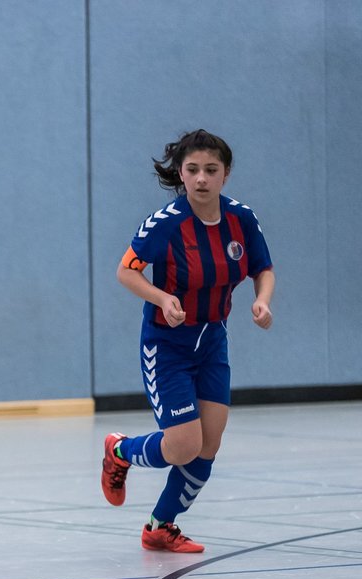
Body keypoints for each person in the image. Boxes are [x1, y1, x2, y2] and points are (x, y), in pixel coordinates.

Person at [101, 129, 275, 552]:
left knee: (208, 445)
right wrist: (163, 297)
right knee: (182, 444)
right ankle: (120, 451)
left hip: (212, 340)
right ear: (181, 173)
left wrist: (263, 302)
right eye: (192, 170)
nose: (201, 179)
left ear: (225, 175)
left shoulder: (241, 219)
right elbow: (126, 271)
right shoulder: (166, 224)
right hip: (167, 345)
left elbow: (263, 268)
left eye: (210, 170)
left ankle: (160, 526)